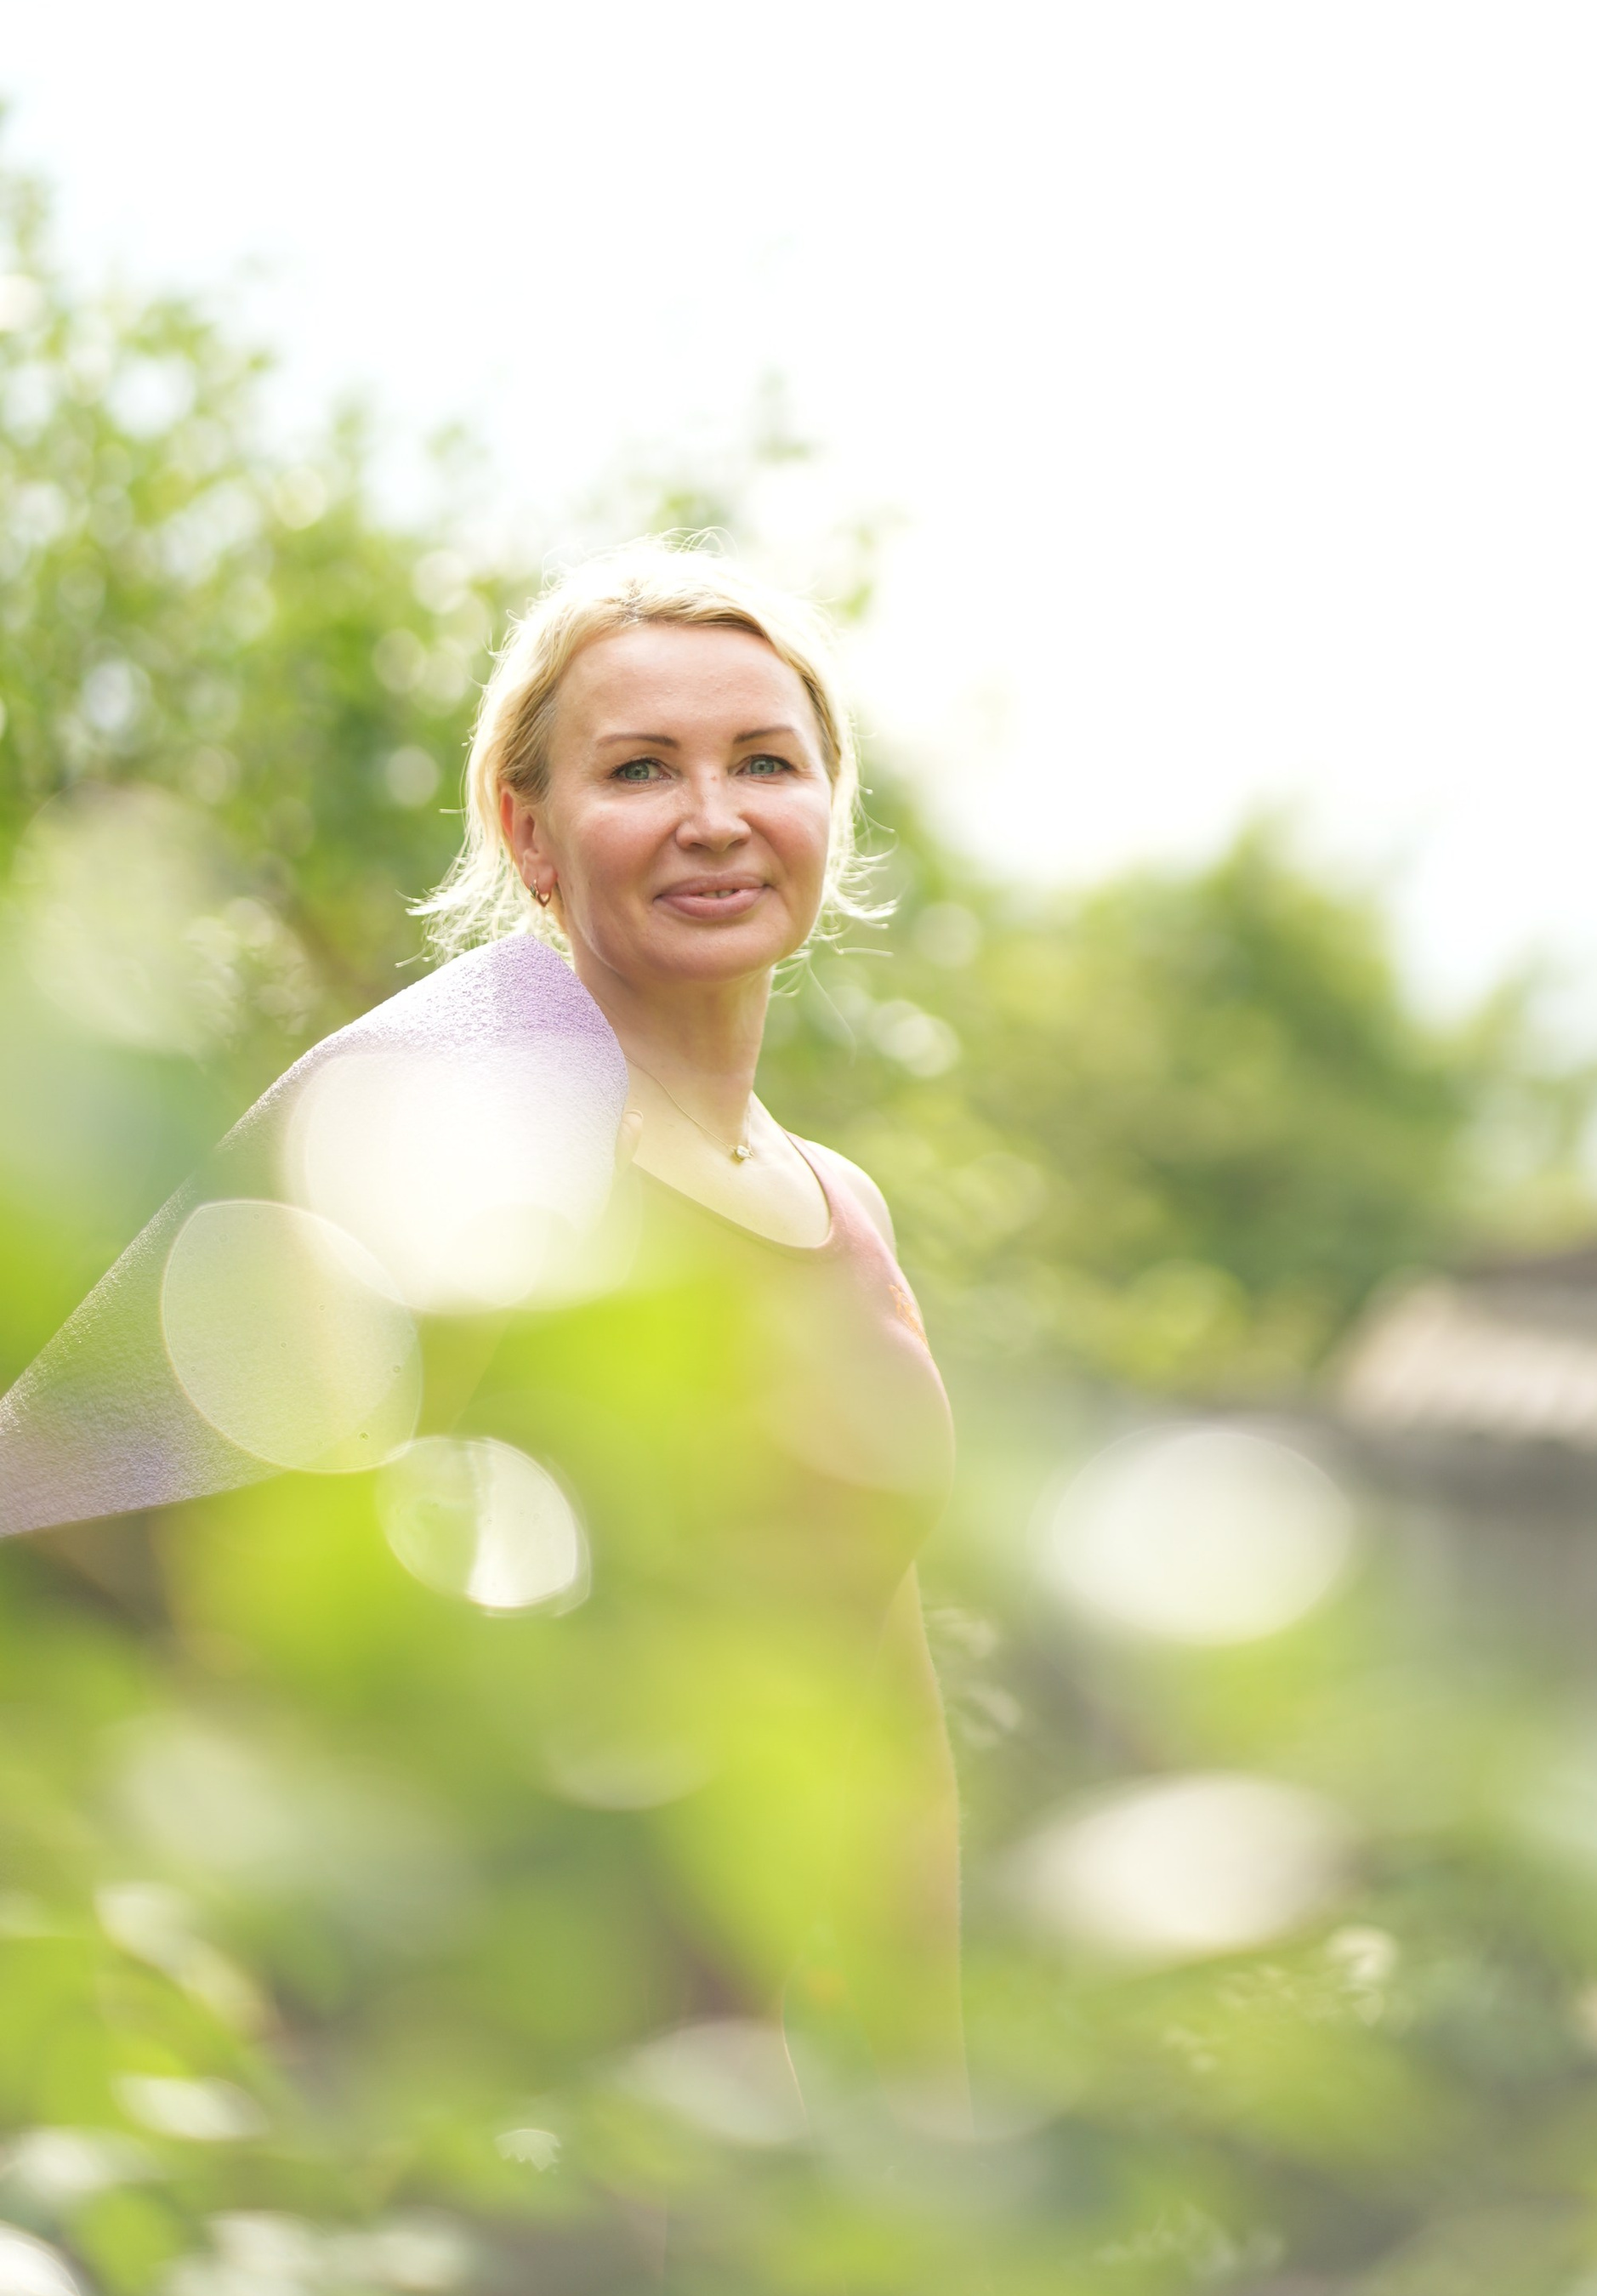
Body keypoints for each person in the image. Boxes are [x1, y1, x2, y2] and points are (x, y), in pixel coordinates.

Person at [0, 539, 965, 2130]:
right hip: (437, 2096)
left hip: (733, 2112)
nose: (713, 817)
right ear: (531, 831)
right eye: (641, 768)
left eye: (765, 762)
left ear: (828, 808)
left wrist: (929, 2117)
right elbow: (172, 1575)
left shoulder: (843, 1211)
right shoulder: (434, 1134)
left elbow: (886, 1716)